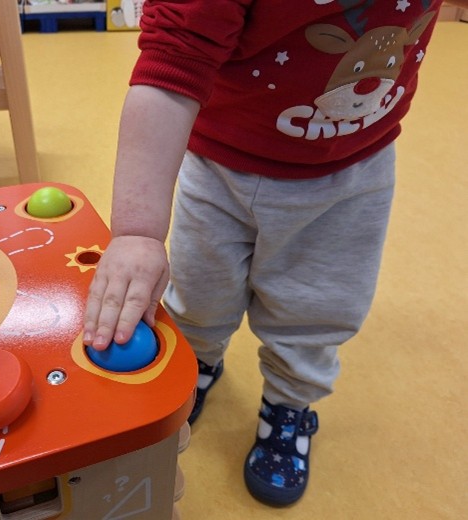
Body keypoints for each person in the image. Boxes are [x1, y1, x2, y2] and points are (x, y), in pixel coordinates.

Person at [82, 0, 468, 507]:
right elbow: (172, 61)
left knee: (316, 311)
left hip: (352, 171)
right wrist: (137, 233)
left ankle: (289, 405)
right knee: (199, 296)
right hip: (219, 165)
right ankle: (200, 361)